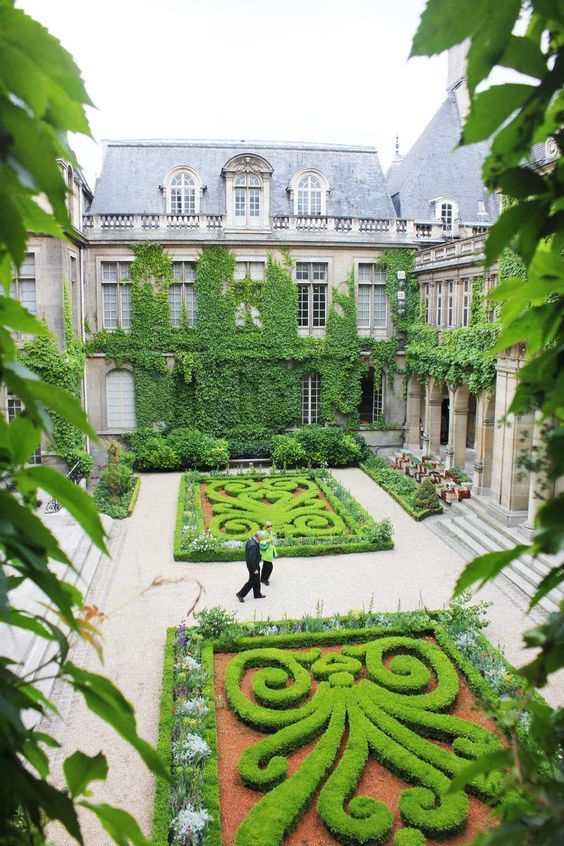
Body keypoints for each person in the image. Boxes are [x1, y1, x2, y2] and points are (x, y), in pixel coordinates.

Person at [236, 530, 266, 602]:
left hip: (254, 564)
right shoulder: (253, 545)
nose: (262, 538)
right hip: (253, 565)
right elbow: (251, 559)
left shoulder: (252, 541)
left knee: (256, 579)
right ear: (258, 537)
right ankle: (240, 594)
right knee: (252, 581)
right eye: (261, 537)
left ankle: (257, 594)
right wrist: (254, 569)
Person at [260, 521, 277, 586]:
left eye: (271, 526)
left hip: (269, 551)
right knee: (270, 566)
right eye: (268, 526)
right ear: (265, 527)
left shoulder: (270, 532)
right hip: (266, 552)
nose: (270, 527)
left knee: (265, 566)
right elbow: (260, 542)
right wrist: (268, 541)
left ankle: (262, 579)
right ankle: (265, 579)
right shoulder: (263, 533)